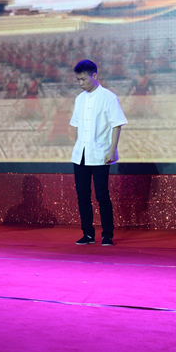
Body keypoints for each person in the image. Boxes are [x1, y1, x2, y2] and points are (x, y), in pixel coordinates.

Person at [70, 60, 127, 246]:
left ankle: (107, 234)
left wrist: (112, 150)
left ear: (94, 76)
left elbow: (116, 125)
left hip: (101, 153)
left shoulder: (108, 97)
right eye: (78, 80)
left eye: (83, 79)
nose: (81, 83)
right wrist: (77, 146)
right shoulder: (79, 99)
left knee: (102, 195)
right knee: (82, 195)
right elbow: (77, 126)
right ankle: (87, 233)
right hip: (81, 154)